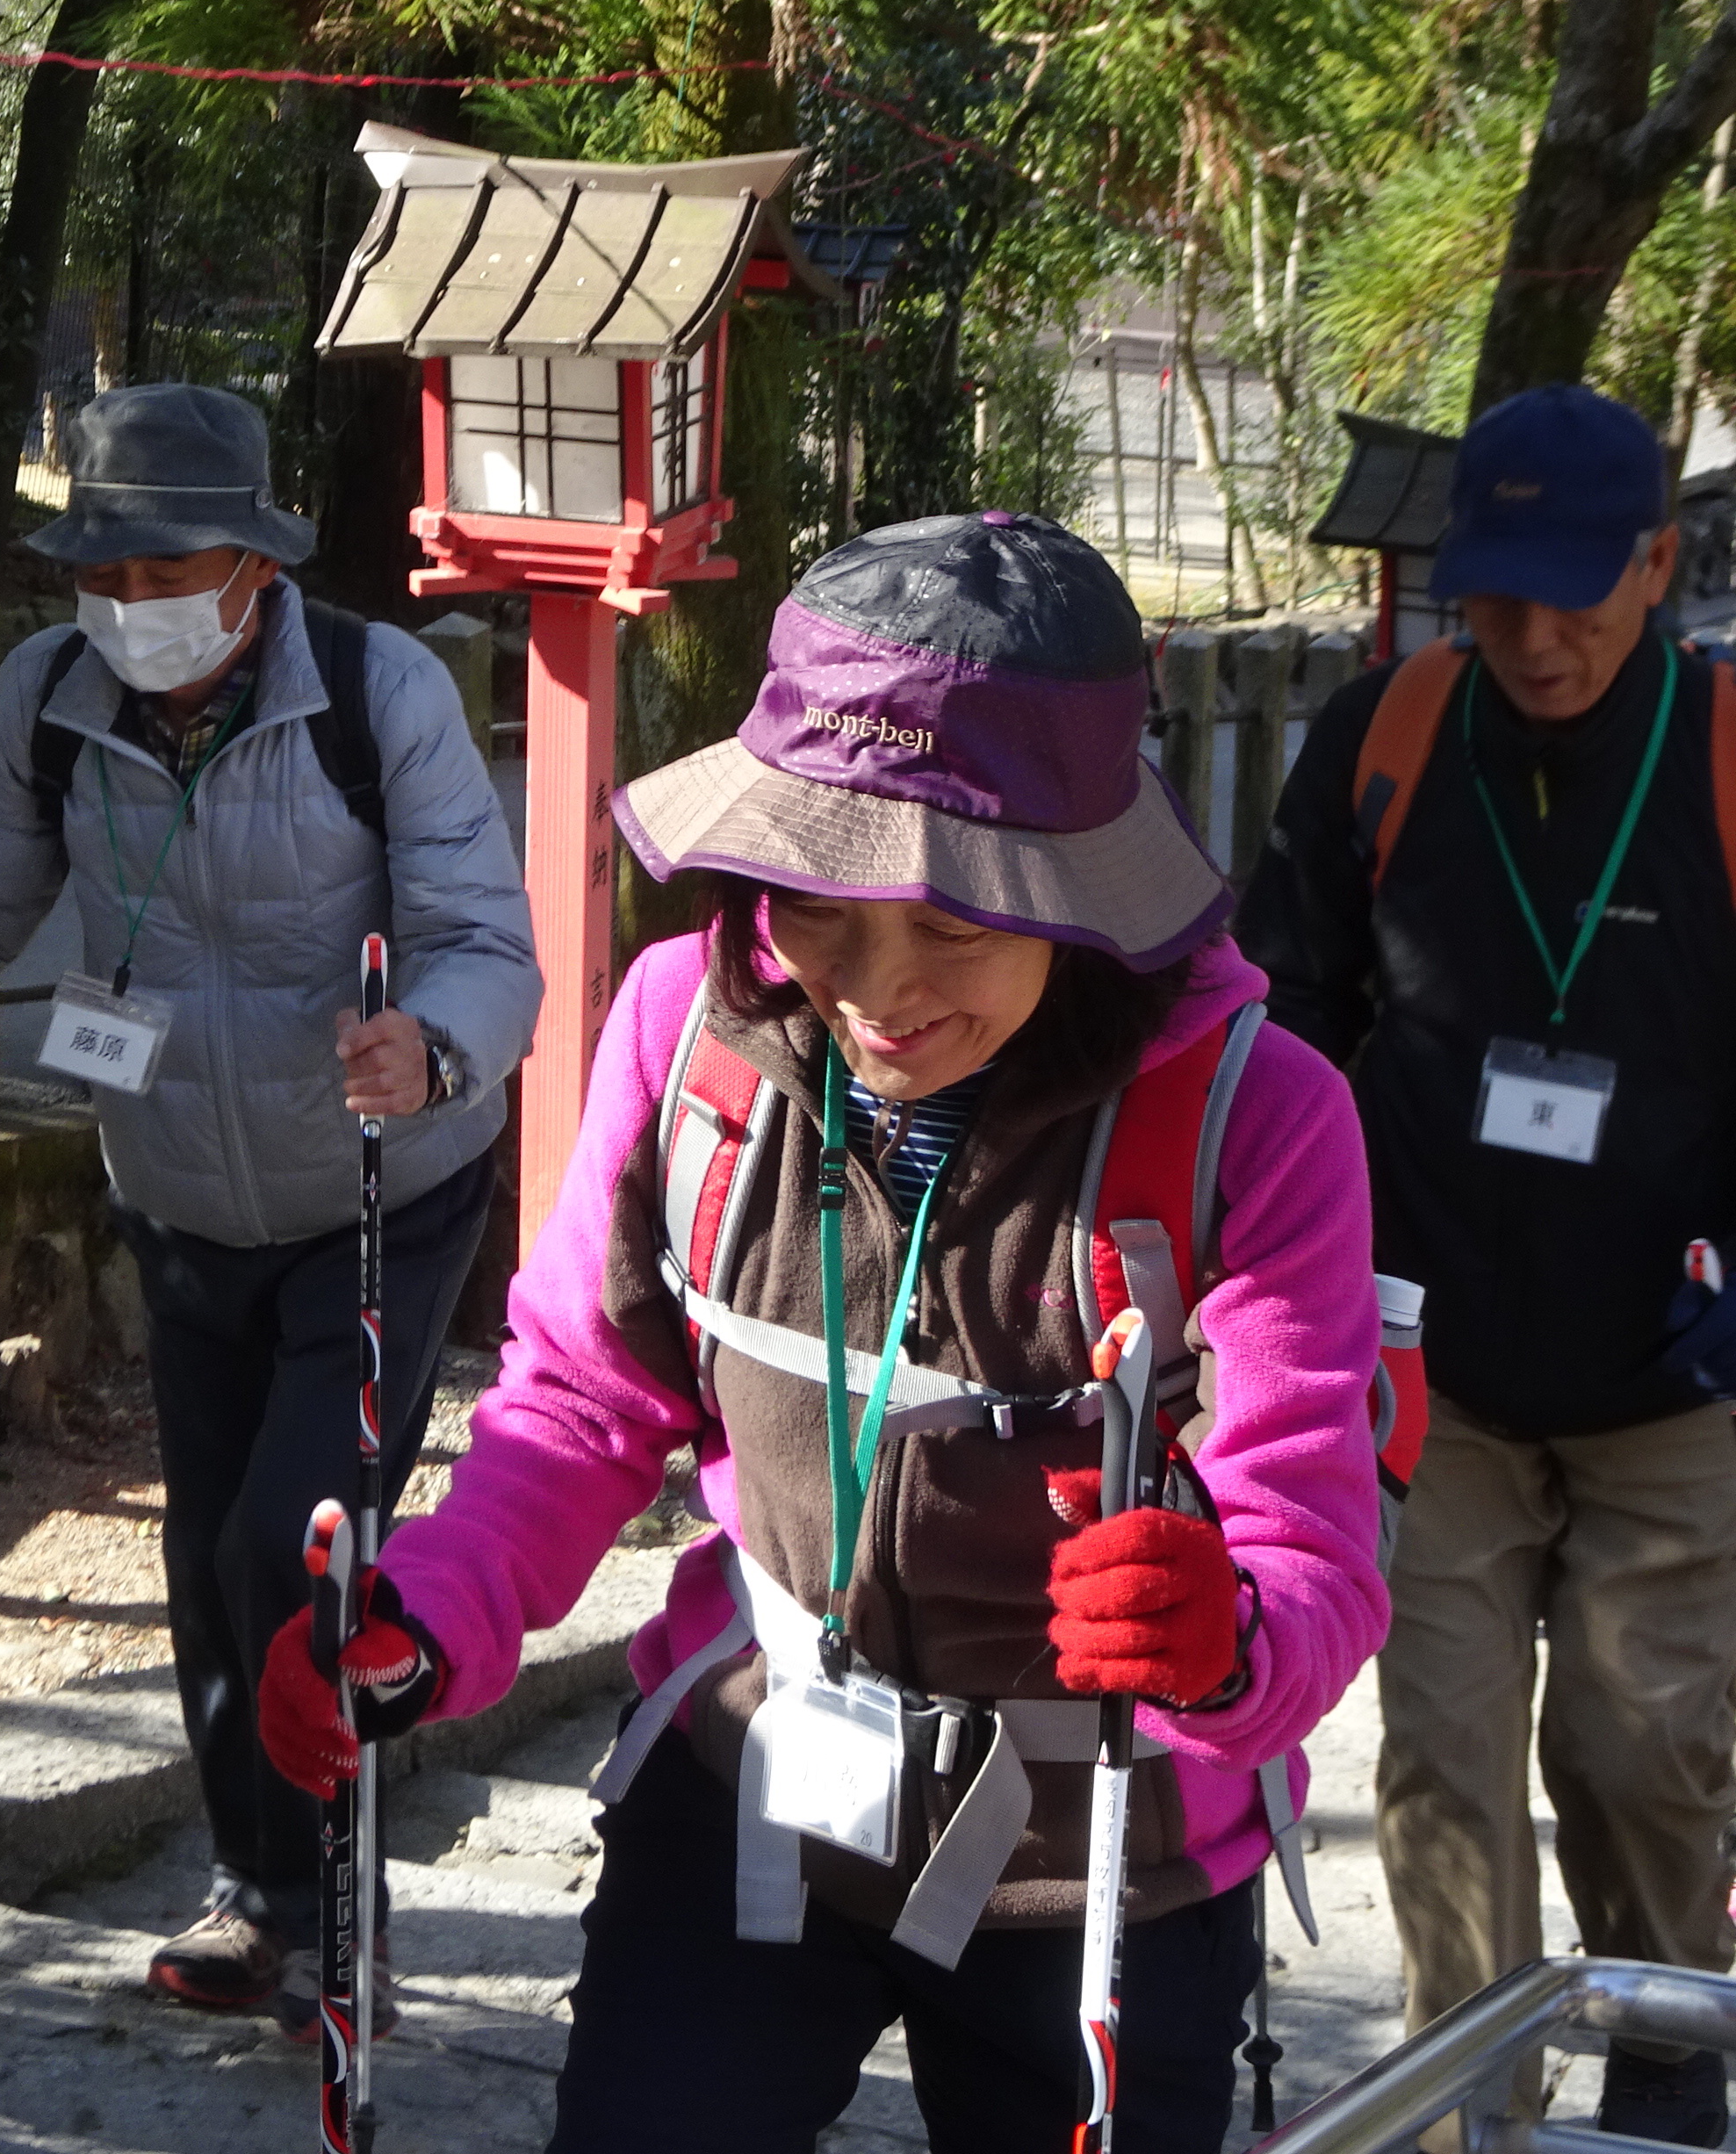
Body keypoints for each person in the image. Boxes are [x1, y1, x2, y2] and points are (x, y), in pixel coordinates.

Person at [261, 513, 1390, 2150]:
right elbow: (582, 1401)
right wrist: (424, 1616)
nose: (876, 988)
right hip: (759, 1775)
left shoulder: (1253, 1119)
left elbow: (1313, 1563)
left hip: (1101, 1858)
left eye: (960, 919)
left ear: (1079, 893)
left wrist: (1220, 1639)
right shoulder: (687, 1029)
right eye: (822, 902)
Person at [0, 382, 540, 2034]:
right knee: (202, 1551)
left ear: (254, 565)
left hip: (380, 1185)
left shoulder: (382, 692)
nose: (133, 604)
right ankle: (256, 1894)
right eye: (109, 571)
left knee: (294, 1544)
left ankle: (335, 1887)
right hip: (176, 1188)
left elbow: (483, 938)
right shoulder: (52, 695)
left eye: (170, 570)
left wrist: (431, 1047)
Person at [1238, 383, 1736, 2145]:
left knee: (1641, 1756)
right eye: (1494, 592)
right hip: (1426, 1366)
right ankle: (1470, 2122)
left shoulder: (1726, 754)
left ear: (1661, 565)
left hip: (1674, 1380)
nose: (1528, 634)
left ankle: (1674, 2082)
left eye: (1573, 593)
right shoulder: (1386, 734)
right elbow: (1286, 1012)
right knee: (1443, 1765)